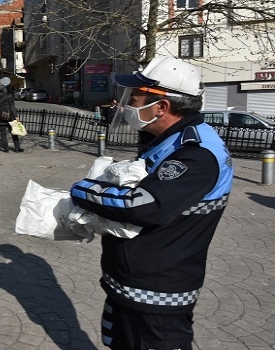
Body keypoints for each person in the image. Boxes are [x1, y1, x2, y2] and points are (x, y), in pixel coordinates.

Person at [69, 56, 233, 350]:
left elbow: (143, 204)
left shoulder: (196, 153)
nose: (126, 106)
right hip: (131, 285)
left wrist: (83, 190)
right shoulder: (166, 138)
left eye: (134, 99)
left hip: (156, 296)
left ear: (162, 106)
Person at [0, 79, 23, 153]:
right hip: (10, 117)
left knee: (3, 134)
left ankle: (6, 149)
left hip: (0, 117)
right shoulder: (9, 96)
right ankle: (17, 148)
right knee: (14, 133)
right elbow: (12, 107)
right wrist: (16, 116)